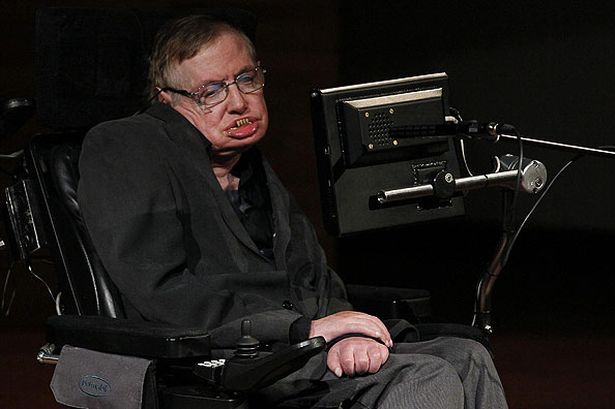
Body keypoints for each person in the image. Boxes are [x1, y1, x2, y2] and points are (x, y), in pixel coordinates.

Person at [78, 14, 508, 409]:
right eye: (211, 91)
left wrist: (349, 330)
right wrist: (303, 330)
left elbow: (313, 278)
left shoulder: (251, 169)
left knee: (467, 356)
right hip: (222, 356)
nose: (238, 103)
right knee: (424, 374)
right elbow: (164, 291)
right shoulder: (127, 146)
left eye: (246, 79)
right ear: (167, 100)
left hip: (294, 346)